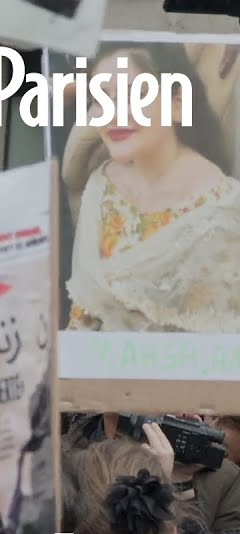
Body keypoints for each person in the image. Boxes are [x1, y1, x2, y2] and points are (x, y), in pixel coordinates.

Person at [63, 43, 239, 333]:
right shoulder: (101, 185)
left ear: (177, 103)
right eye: (100, 99)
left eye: (135, 94)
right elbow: (82, 315)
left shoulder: (223, 212)